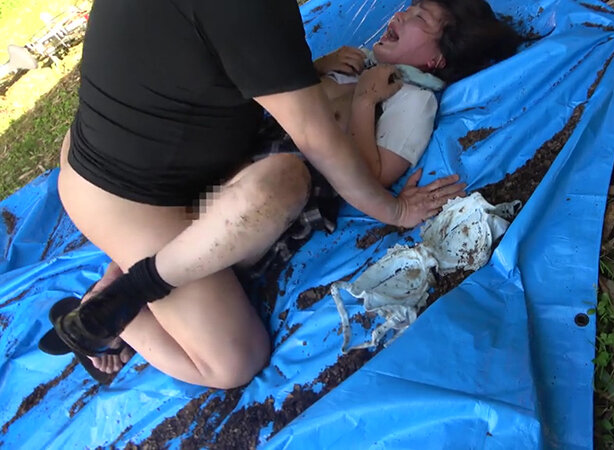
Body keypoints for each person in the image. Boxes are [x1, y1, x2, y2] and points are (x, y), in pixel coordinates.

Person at [45, 0, 467, 389]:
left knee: (268, 188)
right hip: (127, 197)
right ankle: (125, 298)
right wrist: (395, 209)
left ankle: (119, 284)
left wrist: (321, 75)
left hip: (125, 163)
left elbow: (240, 66)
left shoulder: (410, 98)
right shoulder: (247, 9)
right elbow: (317, 138)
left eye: (419, 15)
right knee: (235, 360)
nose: (400, 12)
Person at [310, 0, 524, 187]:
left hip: (304, 174)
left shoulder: (414, 100)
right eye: (408, 9)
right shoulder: (357, 60)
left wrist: (364, 101)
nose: (398, 14)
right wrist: (317, 66)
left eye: (420, 17)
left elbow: (374, 180)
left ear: (438, 58)